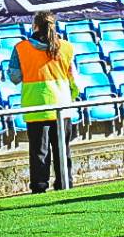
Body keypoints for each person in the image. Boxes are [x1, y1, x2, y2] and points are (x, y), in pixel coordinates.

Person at [9, 11, 78, 194]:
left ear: (35, 26)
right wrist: (71, 96)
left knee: (39, 152)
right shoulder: (67, 47)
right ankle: (65, 184)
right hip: (62, 106)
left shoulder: (21, 48)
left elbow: (14, 77)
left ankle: (39, 188)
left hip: (35, 106)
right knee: (62, 149)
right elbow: (74, 79)